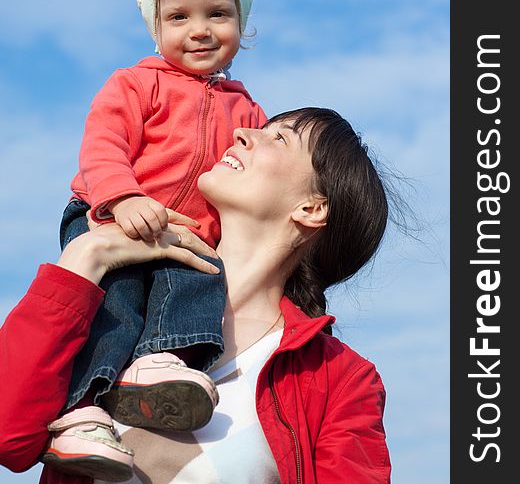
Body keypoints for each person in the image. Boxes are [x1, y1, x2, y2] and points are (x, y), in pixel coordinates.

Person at [0, 107, 392, 483]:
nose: (241, 133)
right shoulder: (119, 307)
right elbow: (9, 437)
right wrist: (86, 256)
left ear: (312, 207)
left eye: (279, 138)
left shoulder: (338, 378)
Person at [45, 0, 266, 475]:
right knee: (115, 302)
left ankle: (156, 366)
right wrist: (121, 196)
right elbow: (103, 145)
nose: (201, 29)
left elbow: (252, 177)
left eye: (219, 14)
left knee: (198, 276)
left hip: (184, 231)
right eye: (180, 16)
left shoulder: (249, 109)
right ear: (155, 27)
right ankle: (82, 412)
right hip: (109, 212)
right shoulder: (136, 83)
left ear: (242, 24)